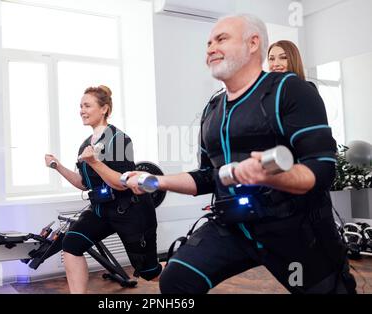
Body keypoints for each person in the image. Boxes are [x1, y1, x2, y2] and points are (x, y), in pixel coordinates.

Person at [126, 14, 356, 294]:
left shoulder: (290, 90)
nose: (210, 48)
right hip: (235, 228)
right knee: (177, 279)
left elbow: (323, 169)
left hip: (293, 230)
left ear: (252, 43)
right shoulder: (213, 110)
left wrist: (274, 177)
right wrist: (158, 181)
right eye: (208, 42)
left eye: (221, 39)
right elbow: (209, 177)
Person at [45, 85, 162, 293]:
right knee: (71, 244)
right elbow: (83, 183)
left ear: (104, 109)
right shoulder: (85, 145)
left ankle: (186, 275)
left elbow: (121, 182)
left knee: (149, 273)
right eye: (80, 106)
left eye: (87, 105)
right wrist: (58, 167)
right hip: (102, 210)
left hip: (131, 211)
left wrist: (94, 162)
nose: (82, 110)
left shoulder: (119, 139)